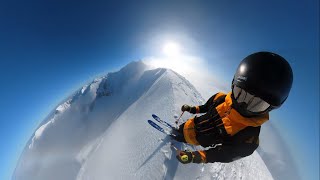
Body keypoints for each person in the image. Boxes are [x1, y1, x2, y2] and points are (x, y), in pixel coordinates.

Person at [171, 51, 293, 164]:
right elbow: (205, 107)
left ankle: (179, 136)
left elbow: (223, 154)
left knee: (180, 137)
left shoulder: (249, 136)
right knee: (180, 131)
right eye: (240, 93)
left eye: (258, 103)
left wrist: (196, 157)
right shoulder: (220, 98)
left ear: (270, 108)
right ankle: (179, 132)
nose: (242, 105)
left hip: (195, 140)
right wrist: (192, 109)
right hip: (189, 124)